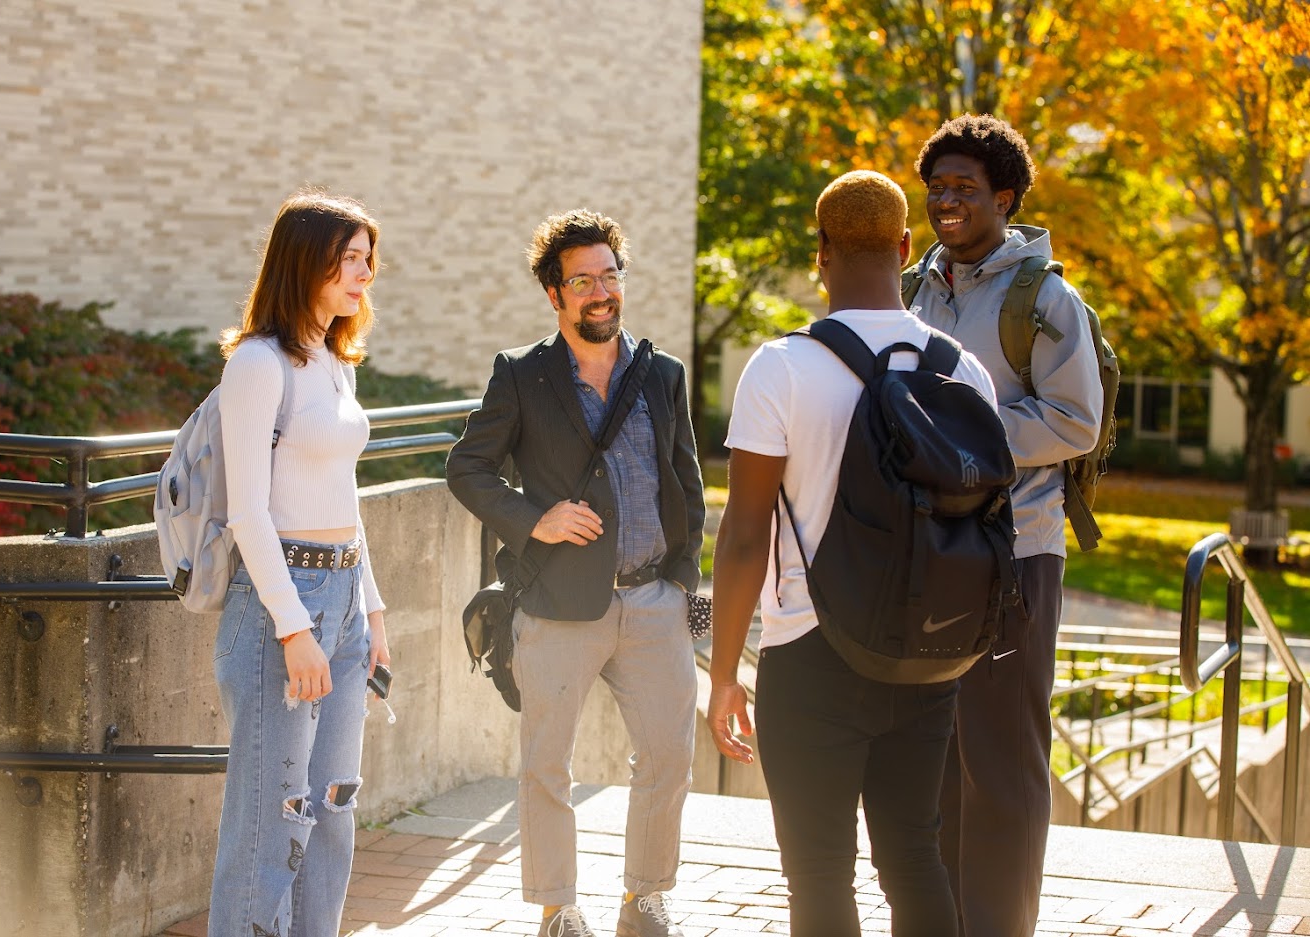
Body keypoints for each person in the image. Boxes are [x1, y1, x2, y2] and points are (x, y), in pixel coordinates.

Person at [707, 169, 997, 937]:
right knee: (913, 856)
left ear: (820, 253)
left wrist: (725, 670)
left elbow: (743, 535)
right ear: (906, 247)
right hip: (928, 655)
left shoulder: (780, 367)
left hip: (811, 653)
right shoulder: (961, 370)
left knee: (818, 873)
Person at [446, 209, 705, 937]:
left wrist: (682, 580)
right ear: (554, 295)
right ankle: (559, 907)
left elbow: (685, 483)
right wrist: (536, 517)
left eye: (609, 274)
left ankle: (645, 896)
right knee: (545, 764)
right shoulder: (521, 375)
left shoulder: (662, 374)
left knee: (666, 754)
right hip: (558, 602)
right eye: (581, 280)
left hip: (654, 597)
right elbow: (466, 468)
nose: (599, 290)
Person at [909, 114, 1102, 936]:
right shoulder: (913, 288)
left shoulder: (1043, 297)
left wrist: (960, 432)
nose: (946, 201)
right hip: (927, 551)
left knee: (1004, 761)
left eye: (964, 187)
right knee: (937, 756)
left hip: (1016, 552)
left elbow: (1074, 421)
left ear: (1004, 196)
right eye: (936, 188)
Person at [207, 190, 392, 937]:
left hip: (343, 594)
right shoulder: (257, 363)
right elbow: (248, 511)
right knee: (272, 815)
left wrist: (372, 612)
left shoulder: (333, 360)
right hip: (281, 598)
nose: (364, 274)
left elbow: (345, 494)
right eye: (349, 258)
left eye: (367, 258)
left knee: (333, 804)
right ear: (304, 261)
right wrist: (292, 627)